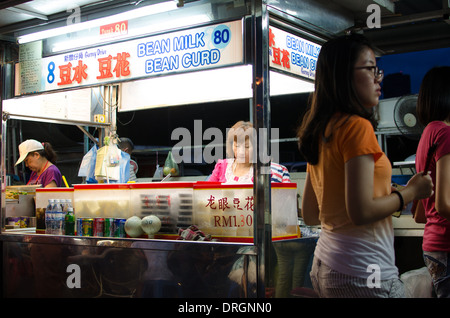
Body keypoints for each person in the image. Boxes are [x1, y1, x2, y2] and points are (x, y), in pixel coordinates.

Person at [296, 34, 434, 298]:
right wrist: (410, 192)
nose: (378, 77)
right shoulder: (356, 126)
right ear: (344, 75)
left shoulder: (320, 131)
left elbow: (312, 213)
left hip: (326, 265)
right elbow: (360, 211)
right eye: (370, 68)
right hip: (363, 272)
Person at [415, 66, 450, 298]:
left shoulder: (427, 133)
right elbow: (444, 204)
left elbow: (420, 214)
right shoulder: (445, 133)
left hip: (433, 244)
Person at [209, 121, 290, 183]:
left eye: (247, 147)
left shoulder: (264, 170)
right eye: (236, 146)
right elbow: (207, 193)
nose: (241, 152)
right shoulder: (221, 167)